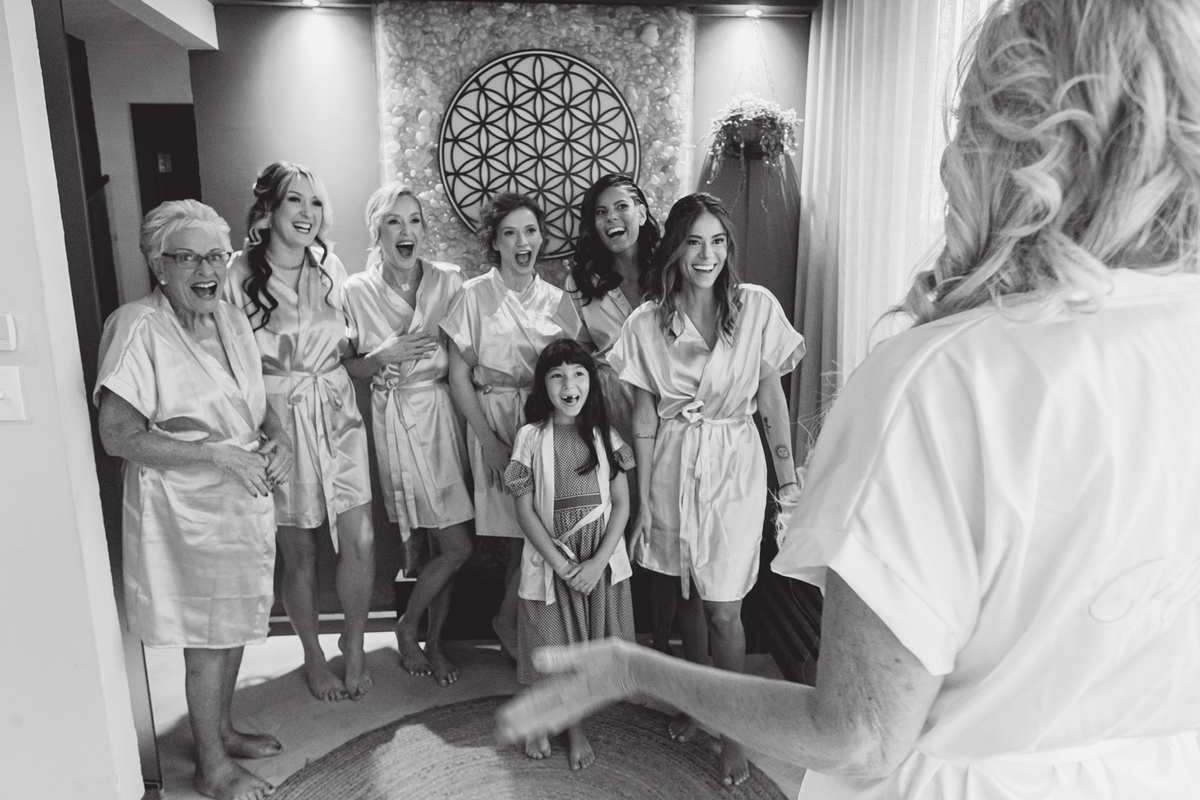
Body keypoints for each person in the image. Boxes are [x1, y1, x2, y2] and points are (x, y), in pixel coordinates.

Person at [497, 1, 1200, 798]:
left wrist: (634, 668)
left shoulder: (943, 382)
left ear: (1005, 146)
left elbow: (859, 735)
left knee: (726, 603)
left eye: (963, 122)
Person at [97, 200, 293, 800]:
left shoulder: (231, 319)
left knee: (231, 625)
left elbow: (256, 404)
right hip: (184, 511)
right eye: (188, 258)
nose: (207, 270)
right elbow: (117, 435)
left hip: (242, 498)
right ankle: (211, 766)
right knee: (206, 639)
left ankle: (222, 729)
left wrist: (279, 439)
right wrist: (216, 456)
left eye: (216, 256)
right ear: (159, 266)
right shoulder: (136, 326)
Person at [609, 192, 804, 786]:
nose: (706, 254)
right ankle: (699, 705)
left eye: (718, 241)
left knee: (724, 607)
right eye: (694, 241)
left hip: (735, 464)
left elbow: (771, 401)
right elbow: (644, 417)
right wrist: (643, 501)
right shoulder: (646, 323)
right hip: (673, 463)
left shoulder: (756, 308)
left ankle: (733, 730)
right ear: (675, 248)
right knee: (689, 592)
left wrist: (789, 484)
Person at [224, 162, 375, 701]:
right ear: (268, 209)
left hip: (337, 412)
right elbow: (231, 365)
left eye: (315, 202)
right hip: (279, 420)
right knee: (301, 552)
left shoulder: (329, 264)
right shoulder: (236, 274)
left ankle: (354, 643)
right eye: (295, 200)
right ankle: (312, 653)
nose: (308, 212)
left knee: (360, 539)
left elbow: (347, 347)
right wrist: (266, 430)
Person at [341, 184, 474, 686]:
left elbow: (467, 353)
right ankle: (408, 627)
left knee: (448, 545)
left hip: (444, 413)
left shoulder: (449, 281)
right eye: (394, 221)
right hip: (395, 416)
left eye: (414, 220)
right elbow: (345, 368)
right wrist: (382, 356)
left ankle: (429, 640)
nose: (406, 230)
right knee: (452, 544)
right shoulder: (355, 291)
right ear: (377, 230)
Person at [441, 192, 583, 659]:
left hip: (546, 423)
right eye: (510, 233)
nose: (522, 242)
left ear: (542, 238)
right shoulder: (473, 295)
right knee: (519, 533)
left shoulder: (558, 300)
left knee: (542, 532)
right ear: (495, 243)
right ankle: (512, 623)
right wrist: (490, 444)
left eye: (530, 231)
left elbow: (574, 374)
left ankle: (518, 625)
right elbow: (458, 377)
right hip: (495, 418)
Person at [504, 339, 636, 769]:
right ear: (544, 385)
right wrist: (562, 565)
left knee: (584, 649)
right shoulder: (530, 437)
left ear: (590, 383)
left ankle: (575, 728)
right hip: (553, 559)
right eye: (557, 375)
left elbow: (622, 505)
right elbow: (524, 510)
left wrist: (597, 563)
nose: (568, 384)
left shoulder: (605, 436)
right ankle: (541, 719)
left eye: (578, 374)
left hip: (596, 558)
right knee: (550, 644)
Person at [567, 174, 677, 655]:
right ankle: (625, 641)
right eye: (601, 212)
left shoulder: (671, 267)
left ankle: (665, 641)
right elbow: (573, 348)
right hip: (614, 410)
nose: (612, 218)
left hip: (673, 404)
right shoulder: (582, 282)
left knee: (669, 520)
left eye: (621, 207)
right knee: (628, 518)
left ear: (642, 212)